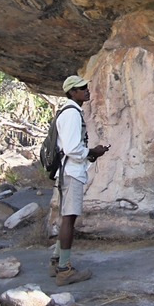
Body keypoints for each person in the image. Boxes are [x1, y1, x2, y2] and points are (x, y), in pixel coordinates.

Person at [50, 75, 110, 286]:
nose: (86, 90)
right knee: (69, 219)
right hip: (71, 173)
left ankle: (56, 261)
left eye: (85, 87)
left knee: (68, 217)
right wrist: (92, 151)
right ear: (71, 92)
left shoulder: (69, 112)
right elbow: (72, 149)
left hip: (67, 171)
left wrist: (91, 154)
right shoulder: (72, 114)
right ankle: (64, 270)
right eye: (81, 88)